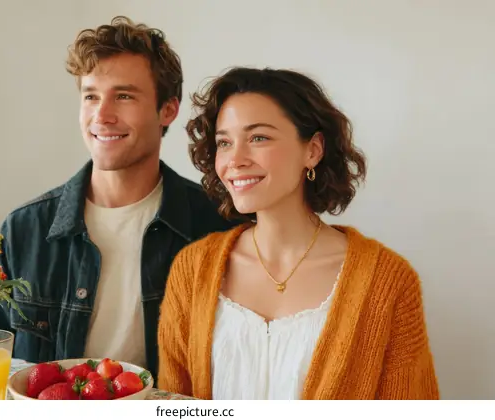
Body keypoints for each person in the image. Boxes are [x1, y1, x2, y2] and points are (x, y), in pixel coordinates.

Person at [157, 67, 440, 399]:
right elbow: (173, 403)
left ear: (313, 150)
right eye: (224, 142)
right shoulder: (191, 270)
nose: (235, 159)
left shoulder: (387, 282)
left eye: (258, 137)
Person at [0, 16, 235, 380]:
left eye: (123, 96)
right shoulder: (22, 230)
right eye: (91, 96)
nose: (102, 116)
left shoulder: (216, 226)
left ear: (168, 109)